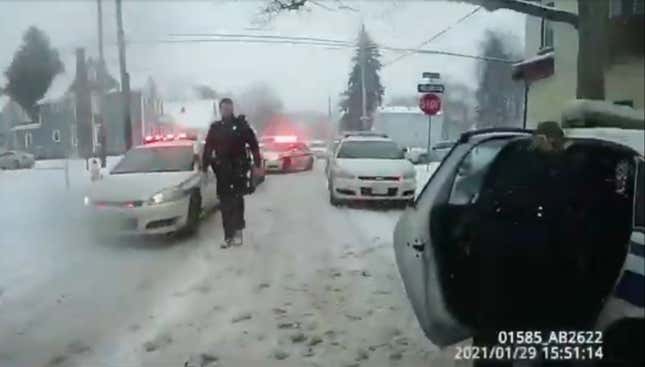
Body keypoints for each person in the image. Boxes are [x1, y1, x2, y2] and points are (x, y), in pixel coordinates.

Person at [202, 98, 261, 248]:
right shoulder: (215, 128)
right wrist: (204, 166)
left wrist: (257, 163)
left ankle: (238, 232)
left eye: (228, 108)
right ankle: (227, 236)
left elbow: (253, 145)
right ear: (220, 110)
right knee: (224, 204)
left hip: (238, 169)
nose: (226, 111)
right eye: (223, 108)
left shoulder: (241, 125)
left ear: (232, 109)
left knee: (237, 201)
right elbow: (208, 148)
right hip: (222, 170)